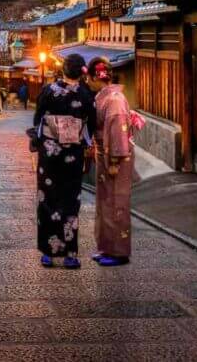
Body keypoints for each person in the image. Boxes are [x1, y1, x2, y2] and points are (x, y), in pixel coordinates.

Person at [32, 53, 97, 269]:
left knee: (47, 199)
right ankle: (70, 254)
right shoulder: (86, 94)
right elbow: (91, 124)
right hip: (73, 154)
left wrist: (40, 139)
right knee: (70, 200)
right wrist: (85, 142)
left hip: (50, 154)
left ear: (63, 69)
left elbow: (38, 119)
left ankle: (48, 253)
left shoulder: (48, 91)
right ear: (82, 72)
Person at [86, 56, 145, 266]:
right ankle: (106, 247)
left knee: (116, 202)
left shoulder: (114, 100)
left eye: (88, 78)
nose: (87, 82)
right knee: (105, 202)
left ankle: (119, 252)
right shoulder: (105, 96)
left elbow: (118, 131)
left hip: (116, 157)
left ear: (96, 76)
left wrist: (114, 161)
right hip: (105, 154)